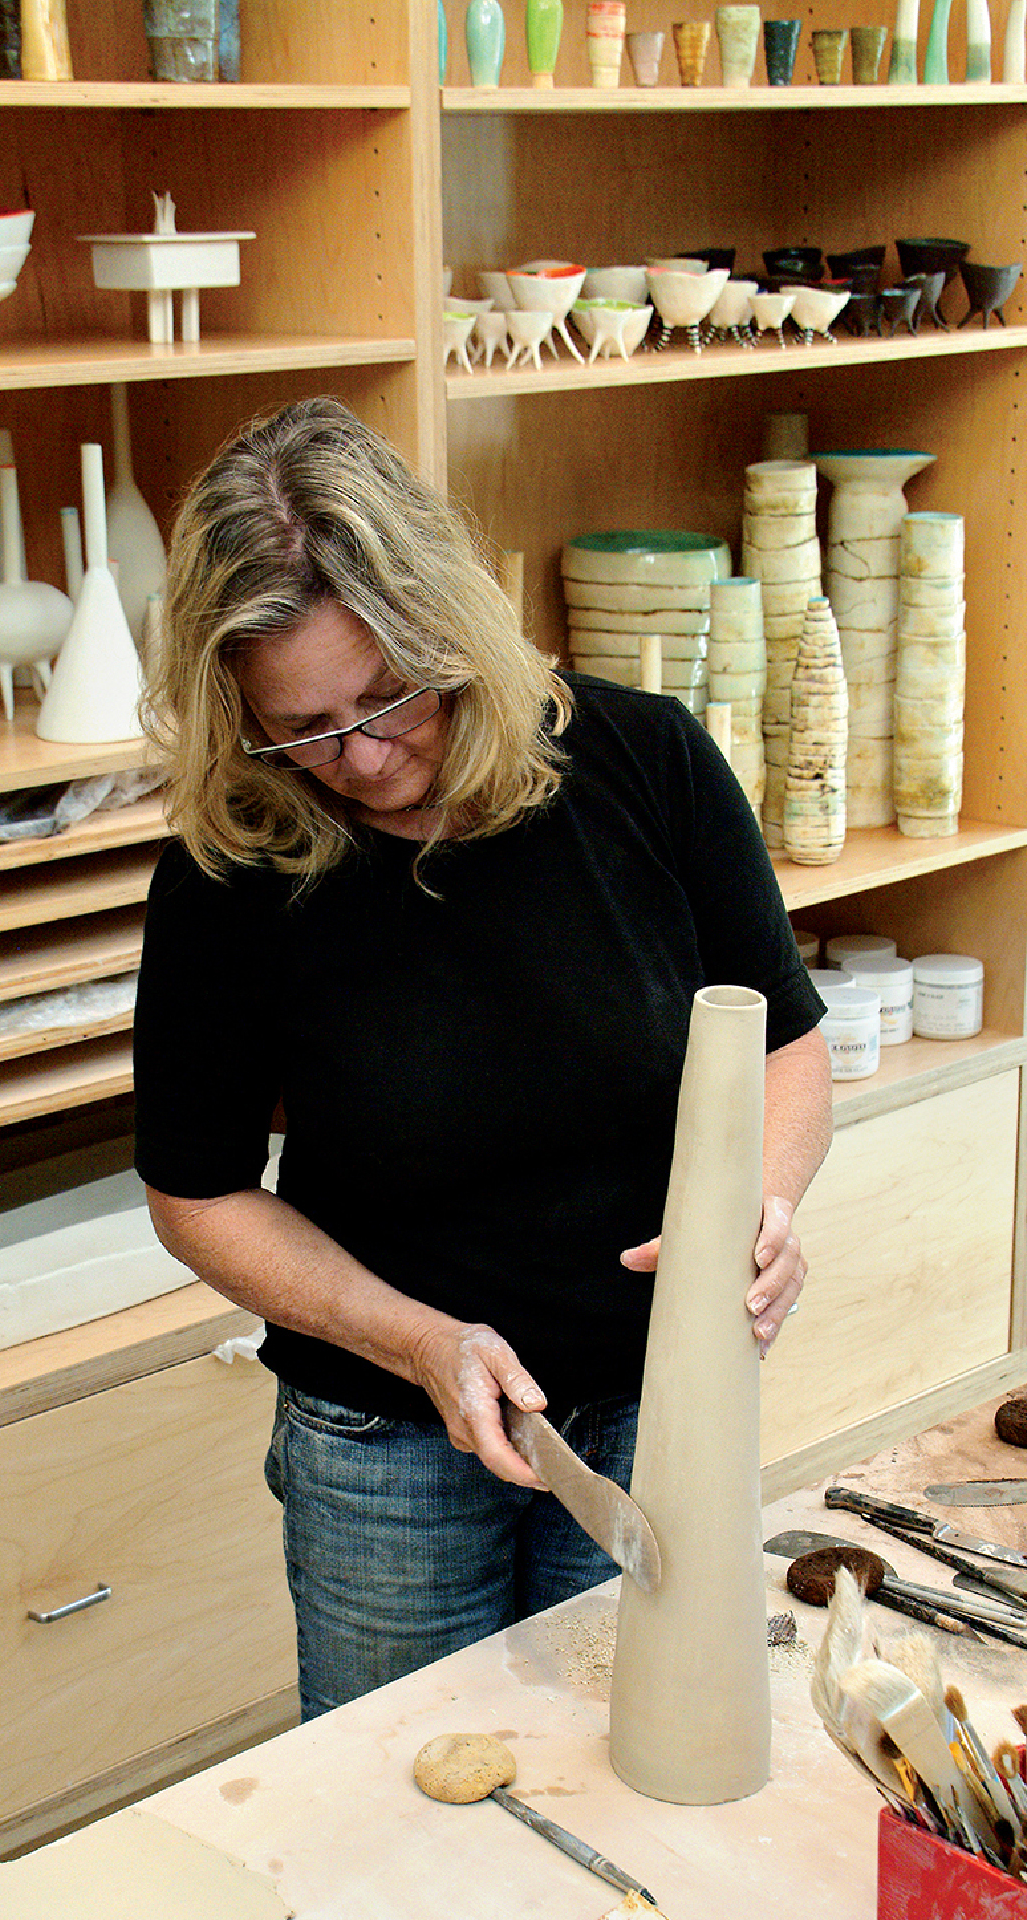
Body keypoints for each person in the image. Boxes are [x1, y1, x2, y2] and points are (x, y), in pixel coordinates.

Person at [133, 395, 832, 1721]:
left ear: (449, 626)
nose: (363, 757)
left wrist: (766, 1204)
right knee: (403, 1812)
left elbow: (785, 1043)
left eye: (390, 697)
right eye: (302, 728)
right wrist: (411, 1343)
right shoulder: (235, 868)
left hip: (649, 1399)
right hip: (387, 1442)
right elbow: (196, 1191)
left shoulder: (644, 763)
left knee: (624, 1771)